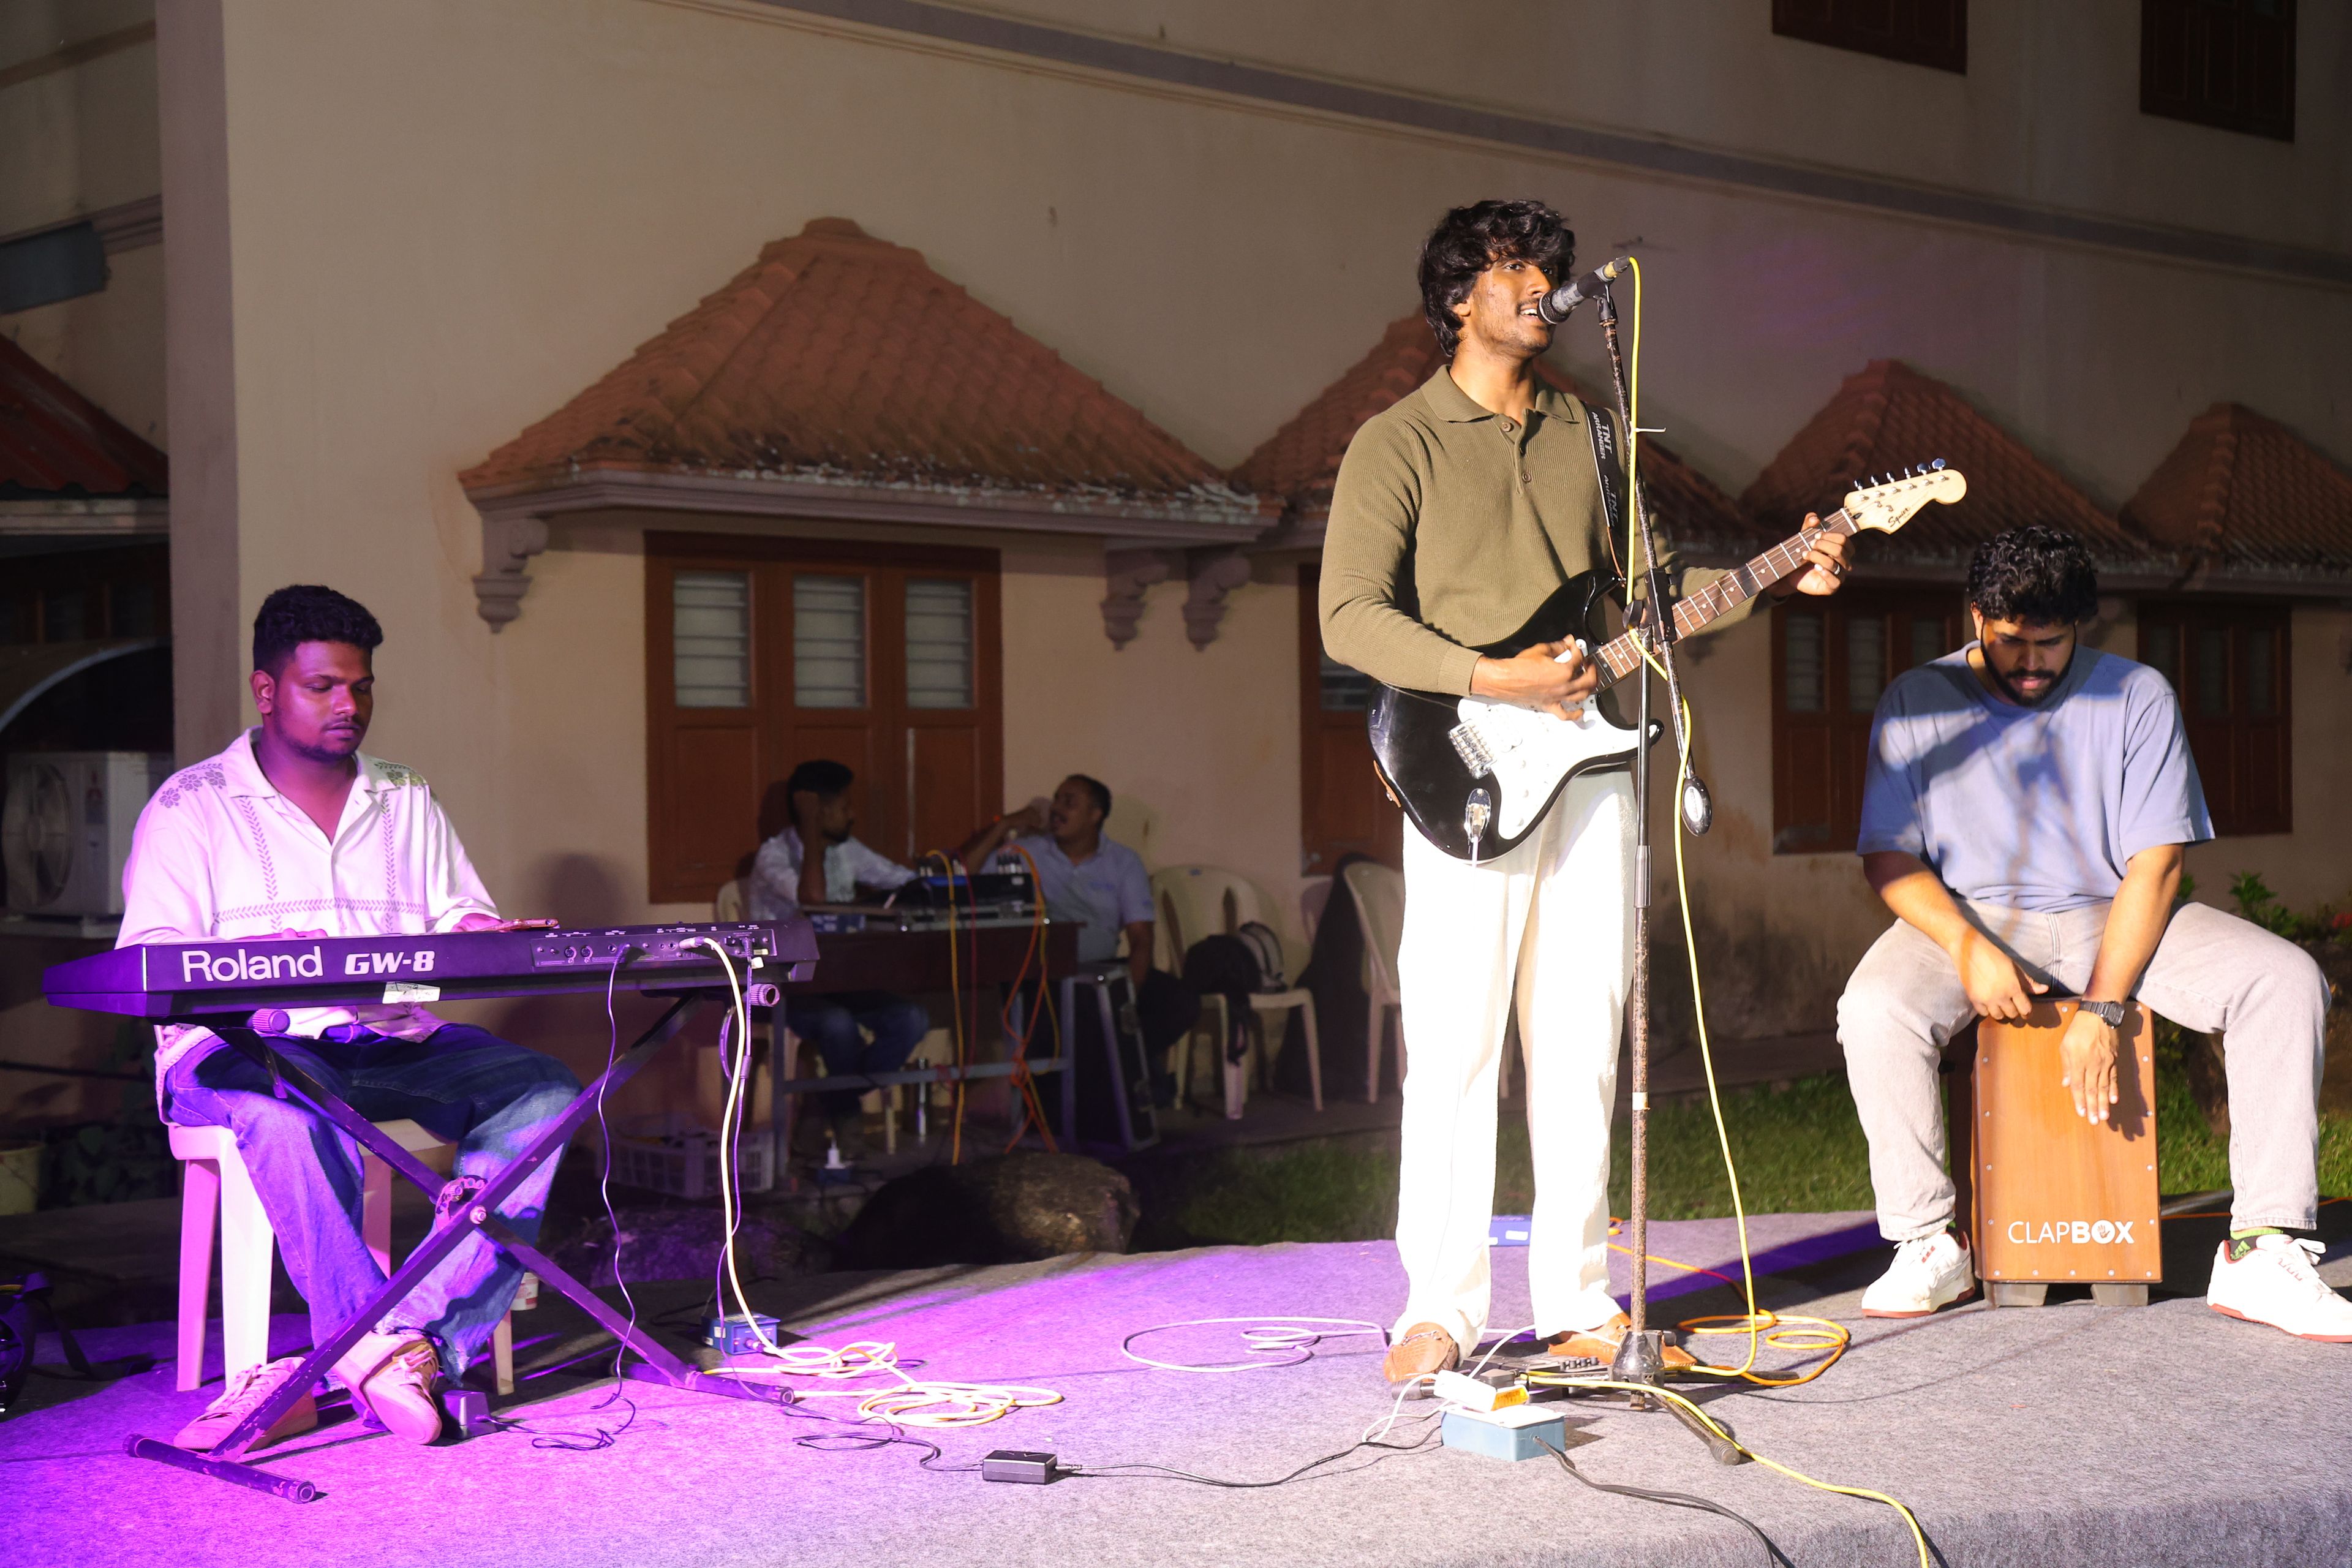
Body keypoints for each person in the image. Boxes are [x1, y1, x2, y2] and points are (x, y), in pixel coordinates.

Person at [1319, 200, 1853, 1384]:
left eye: (1549, 269)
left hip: (1595, 762)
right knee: (1455, 1045)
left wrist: (1781, 571)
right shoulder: (1396, 441)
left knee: (1582, 1040)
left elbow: (1658, 594)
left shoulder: (1593, 433)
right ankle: (1440, 1308)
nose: (1539, 285)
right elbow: (1349, 616)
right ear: (1459, 295)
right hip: (1457, 761)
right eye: (1512, 268)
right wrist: (1487, 672)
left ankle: (1576, 1294)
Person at [1839, 525, 2348, 1340]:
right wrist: (1968, 948)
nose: (2034, 664)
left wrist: (2104, 1010)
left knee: (2281, 979)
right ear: (1976, 617)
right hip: (1964, 914)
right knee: (1873, 1008)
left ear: (2081, 625)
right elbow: (1891, 861)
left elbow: (2156, 866)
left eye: (2053, 643)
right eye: (2014, 644)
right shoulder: (1915, 700)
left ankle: (2264, 1247)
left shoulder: (2136, 695)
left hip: (2110, 912)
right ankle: (1928, 1241)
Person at [121, 586, 582, 1451]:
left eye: (361, 687)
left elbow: (453, 918)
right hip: (241, 1050)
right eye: (323, 686)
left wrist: (478, 933)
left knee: (546, 1092)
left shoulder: (403, 796)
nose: (349, 706)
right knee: (287, 1114)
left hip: (387, 1040)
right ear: (267, 691)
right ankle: (375, 1349)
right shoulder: (191, 808)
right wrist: (253, 981)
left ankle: (416, 1344)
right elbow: (151, 959)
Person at [963, 774, 1200, 1101]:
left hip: (1104, 972)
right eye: (1056, 799)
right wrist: (1005, 825)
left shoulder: (1123, 861)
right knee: (1051, 1020)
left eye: (1070, 803)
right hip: (1047, 973)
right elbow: (962, 878)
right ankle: (1124, 1081)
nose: (1057, 809)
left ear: (1095, 815)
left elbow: (1142, 940)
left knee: (1179, 1000)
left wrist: (1127, 997)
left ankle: (1117, 1071)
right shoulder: (1025, 852)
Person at [744, 758, 930, 1156]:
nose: (853, 815)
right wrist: (809, 830)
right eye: (844, 807)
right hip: (783, 986)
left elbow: (906, 881)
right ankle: (846, 1118)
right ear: (816, 810)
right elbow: (812, 900)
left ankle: (824, 1101)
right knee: (837, 1025)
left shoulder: (849, 850)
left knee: (910, 1019)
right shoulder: (773, 856)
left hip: (842, 979)